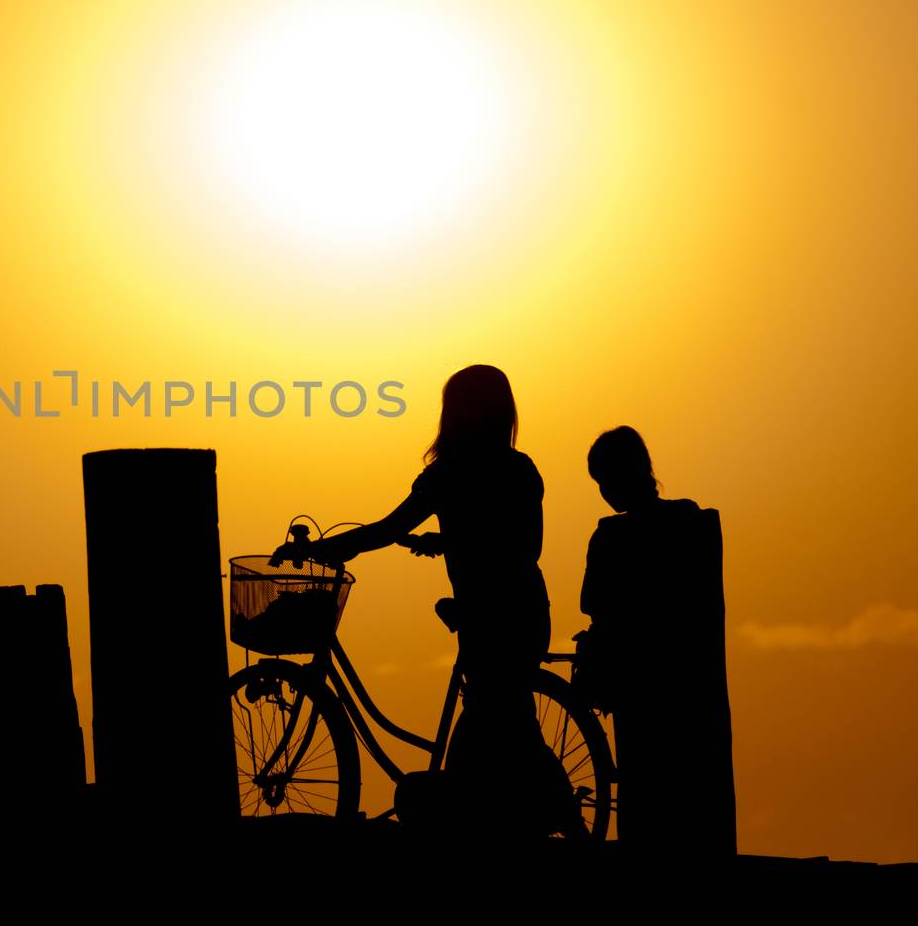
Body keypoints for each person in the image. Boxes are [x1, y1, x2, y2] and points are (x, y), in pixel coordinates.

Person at [272, 364, 570, 841]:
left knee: (492, 730)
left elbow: (386, 530)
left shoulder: (449, 473)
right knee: (510, 722)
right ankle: (548, 814)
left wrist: (323, 549)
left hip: (490, 619)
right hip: (525, 611)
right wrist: (450, 542)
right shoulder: (519, 469)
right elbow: (521, 547)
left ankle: (556, 816)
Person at [579, 425, 737, 856]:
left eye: (604, 482)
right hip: (691, 683)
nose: (605, 493)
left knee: (644, 779)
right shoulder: (689, 521)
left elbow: (591, 602)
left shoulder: (611, 536)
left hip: (639, 681)